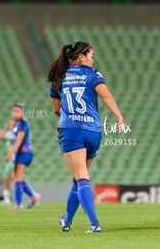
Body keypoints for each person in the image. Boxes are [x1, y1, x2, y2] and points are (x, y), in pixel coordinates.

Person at [48, 41, 124, 233]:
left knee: (81, 177)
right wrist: (119, 117)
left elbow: (56, 109)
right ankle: (67, 220)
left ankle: (94, 224)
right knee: (78, 178)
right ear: (80, 56)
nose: (93, 59)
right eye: (91, 55)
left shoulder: (59, 77)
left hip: (72, 131)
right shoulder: (93, 75)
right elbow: (106, 96)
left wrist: (65, 117)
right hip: (93, 131)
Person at [4, 104, 40, 210]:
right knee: (16, 176)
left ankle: (18, 204)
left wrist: (10, 154)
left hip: (24, 152)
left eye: (18, 111)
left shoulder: (23, 123)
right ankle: (34, 197)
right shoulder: (18, 124)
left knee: (18, 177)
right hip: (21, 153)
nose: (15, 113)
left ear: (22, 112)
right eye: (14, 111)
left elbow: (19, 141)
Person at [0, 119, 17, 206]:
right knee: (7, 178)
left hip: (16, 158)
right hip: (10, 159)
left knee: (16, 178)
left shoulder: (18, 133)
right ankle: (6, 199)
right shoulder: (9, 133)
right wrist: (5, 128)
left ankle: (32, 195)